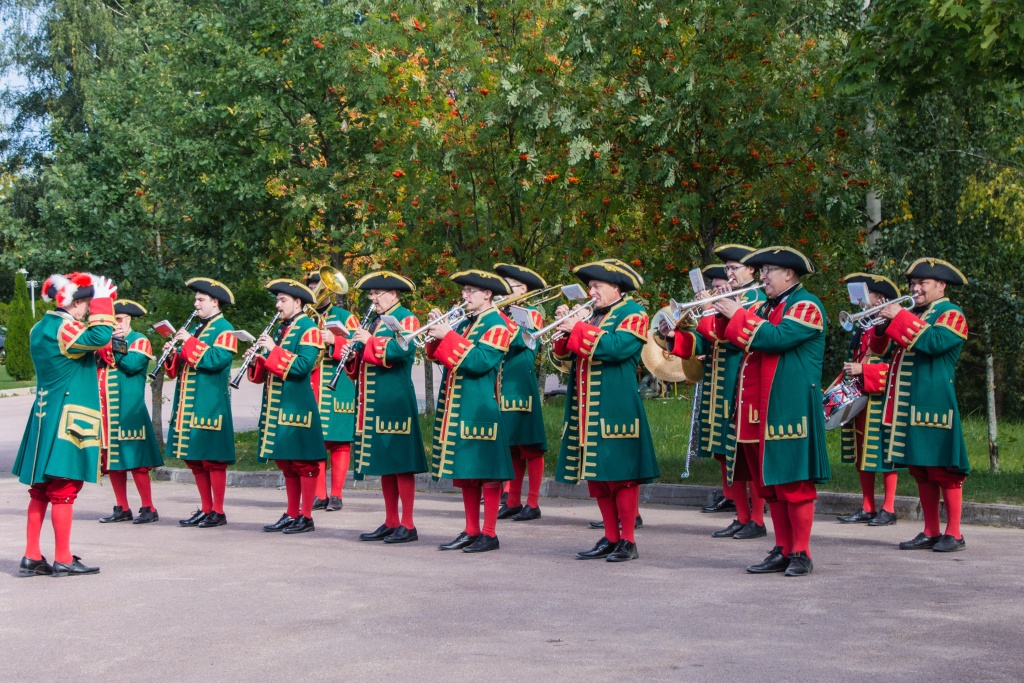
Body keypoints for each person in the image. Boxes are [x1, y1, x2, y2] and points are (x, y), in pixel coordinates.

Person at [715, 246, 829, 577]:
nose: (762, 277)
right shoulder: (768, 306)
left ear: (789, 274)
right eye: (762, 271)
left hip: (791, 409)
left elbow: (775, 338)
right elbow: (738, 341)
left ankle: (802, 553)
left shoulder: (806, 306)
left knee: (794, 485)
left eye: (768, 271)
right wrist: (725, 314)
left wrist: (738, 313)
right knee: (773, 487)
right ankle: (782, 548)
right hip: (762, 411)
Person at [553, 259, 660, 563]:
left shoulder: (634, 313)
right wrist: (564, 328)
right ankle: (610, 536)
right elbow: (563, 355)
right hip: (585, 408)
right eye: (590, 286)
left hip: (617, 405)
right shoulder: (591, 314)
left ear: (616, 287)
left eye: (596, 286)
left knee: (621, 475)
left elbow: (617, 348)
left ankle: (628, 540)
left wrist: (579, 327)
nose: (591, 291)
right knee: (597, 476)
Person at [14, 272, 116, 576]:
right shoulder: (66, 327)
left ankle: (32, 555)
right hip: (67, 416)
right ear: (74, 303)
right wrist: (101, 298)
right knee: (64, 487)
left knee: (40, 489)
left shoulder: (39, 327)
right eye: (84, 304)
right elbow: (100, 336)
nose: (85, 311)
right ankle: (63, 557)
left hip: (44, 415)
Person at [665, 246, 768, 540]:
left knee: (745, 455)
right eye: (728, 269)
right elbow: (703, 340)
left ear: (751, 271)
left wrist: (710, 308)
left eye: (735, 268)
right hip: (716, 383)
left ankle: (757, 519)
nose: (730, 274)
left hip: (740, 383)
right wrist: (675, 337)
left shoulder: (757, 299)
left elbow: (724, 334)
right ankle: (741, 514)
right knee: (724, 451)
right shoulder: (727, 298)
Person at [875, 258, 970, 552]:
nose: (915, 289)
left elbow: (934, 343)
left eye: (922, 284)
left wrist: (900, 317)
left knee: (944, 469)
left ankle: (954, 533)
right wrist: (883, 322)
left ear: (940, 286)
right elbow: (881, 349)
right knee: (921, 469)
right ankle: (930, 530)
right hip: (907, 402)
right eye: (912, 284)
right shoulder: (916, 313)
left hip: (935, 401)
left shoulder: (951, 313)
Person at [426, 270, 516, 553]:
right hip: (459, 405)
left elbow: (480, 361)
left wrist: (448, 335)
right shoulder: (467, 322)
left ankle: (489, 533)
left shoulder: (499, 324)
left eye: (469, 291)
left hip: (481, 407)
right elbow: (440, 356)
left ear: (487, 294)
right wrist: (437, 332)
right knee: (466, 472)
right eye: (464, 291)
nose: (464, 296)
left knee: (487, 471)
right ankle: (471, 530)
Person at [346, 271, 427, 545]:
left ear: (393, 294)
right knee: (385, 463)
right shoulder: (376, 321)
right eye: (371, 295)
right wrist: (352, 350)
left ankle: (409, 524)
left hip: (396, 400)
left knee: (401, 463)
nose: (373, 299)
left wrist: (369, 341)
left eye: (377, 294)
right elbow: (363, 361)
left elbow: (402, 350)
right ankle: (391, 521)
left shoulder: (406, 318)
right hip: (374, 402)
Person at [249, 279, 326, 535]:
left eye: (283, 300)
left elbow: (303, 366)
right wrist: (258, 357)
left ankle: (306, 516)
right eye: (277, 299)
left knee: (303, 462)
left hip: (298, 403)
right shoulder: (284, 328)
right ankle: (291, 513)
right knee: (286, 462)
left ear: (298, 302)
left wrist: (272, 350)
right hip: (278, 404)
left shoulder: (309, 328)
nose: (277, 304)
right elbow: (271, 368)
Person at [164, 278, 238, 529]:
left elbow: (216, 360)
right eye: (195, 299)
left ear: (214, 302)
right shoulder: (197, 329)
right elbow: (179, 368)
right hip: (188, 404)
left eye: (200, 299)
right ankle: (206, 508)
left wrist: (188, 344)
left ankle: (218, 511)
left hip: (210, 403)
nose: (195, 304)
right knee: (194, 458)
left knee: (212, 459)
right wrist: (173, 352)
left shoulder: (225, 329)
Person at [833, 274, 900, 527]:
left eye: (866, 296)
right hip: (860, 391)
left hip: (882, 393)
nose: (860, 301)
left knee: (882, 448)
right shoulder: (863, 324)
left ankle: (889, 507)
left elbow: (894, 365)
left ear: (881, 299)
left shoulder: (891, 324)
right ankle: (868, 505)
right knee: (861, 449)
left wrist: (865, 370)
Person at [97, 299, 164, 525]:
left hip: (129, 410)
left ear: (128, 320)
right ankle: (122, 507)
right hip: (107, 413)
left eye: (120, 320)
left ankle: (148, 507)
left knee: (137, 462)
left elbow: (132, 365)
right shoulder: (104, 342)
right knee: (112, 462)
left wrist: (115, 344)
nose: (116, 324)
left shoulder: (139, 340)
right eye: (112, 320)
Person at [493, 263, 549, 522]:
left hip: (520, 387)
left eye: (509, 287)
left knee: (531, 447)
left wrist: (499, 314)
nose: (502, 292)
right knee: (512, 448)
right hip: (502, 387)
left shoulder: (532, 312)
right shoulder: (501, 312)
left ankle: (533, 502)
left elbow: (520, 339)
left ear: (523, 289)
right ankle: (513, 500)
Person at [306, 270, 360, 513]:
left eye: (320, 285)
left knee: (339, 442)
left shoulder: (346, 318)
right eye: (312, 285)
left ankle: (336, 495)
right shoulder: (305, 318)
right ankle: (319, 495)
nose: (316, 289)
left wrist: (333, 342)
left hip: (339, 386)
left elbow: (356, 350)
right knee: (316, 441)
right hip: (313, 384)